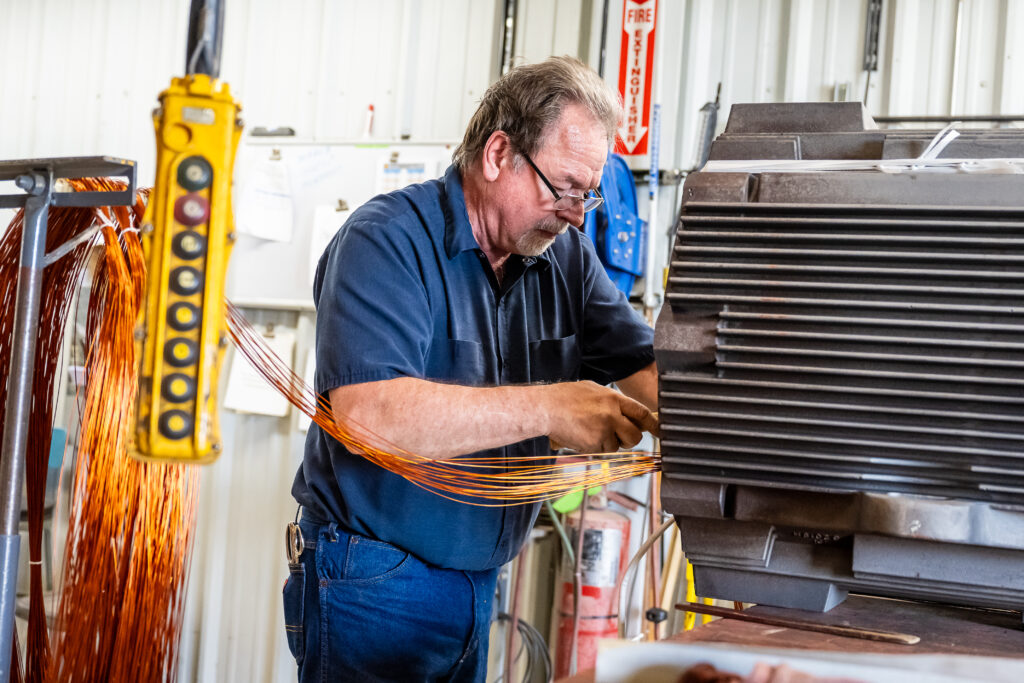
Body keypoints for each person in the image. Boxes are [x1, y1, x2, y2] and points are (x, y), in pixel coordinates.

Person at [284, 55, 658, 682]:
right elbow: (370, 417)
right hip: (375, 580)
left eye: (587, 195)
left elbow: (644, 364)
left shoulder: (562, 256)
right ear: (497, 154)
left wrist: (723, 432)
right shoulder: (385, 241)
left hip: (476, 581)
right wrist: (551, 407)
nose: (575, 212)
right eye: (564, 187)